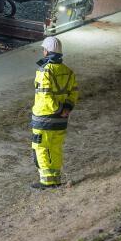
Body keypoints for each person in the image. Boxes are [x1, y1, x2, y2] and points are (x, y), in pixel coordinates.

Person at [30, 36, 78, 189]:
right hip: (61, 119)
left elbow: (45, 96)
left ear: (46, 51)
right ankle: (55, 179)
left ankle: (46, 181)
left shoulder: (44, 71)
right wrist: (66, 109)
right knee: (55, 148)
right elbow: (73, 92)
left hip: (44, 118)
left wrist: (58, 109)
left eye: (44, 49)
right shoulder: (68, 72)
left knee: (41, 148)